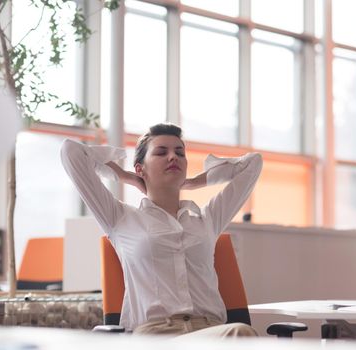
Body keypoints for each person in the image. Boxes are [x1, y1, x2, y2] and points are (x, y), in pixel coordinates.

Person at [60, 123, 262, 337]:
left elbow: (252, 164)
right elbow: (71, 152)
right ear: (140, 168)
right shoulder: (120, 219)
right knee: (241, 334)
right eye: (161, 152)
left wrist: (193, 182)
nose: (173, 157)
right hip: (156, 334)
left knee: (241, 335)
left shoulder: (207, 220)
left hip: (210, 330)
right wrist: (125, 176)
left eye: (179, 152)